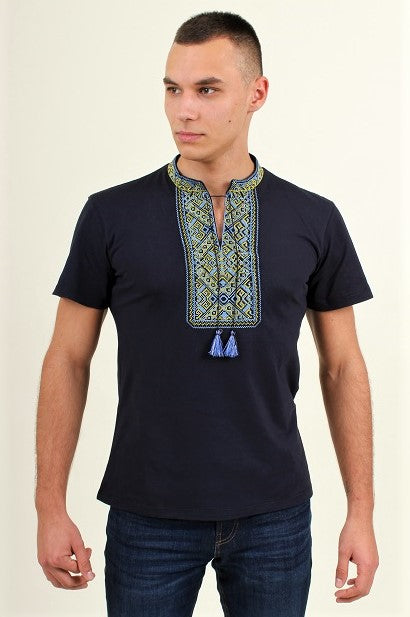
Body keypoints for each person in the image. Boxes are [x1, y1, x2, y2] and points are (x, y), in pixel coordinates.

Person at [35, 10, 379, 617]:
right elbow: (67, 358)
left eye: (207, 90)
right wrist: (49, 507)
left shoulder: (314, 219)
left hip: (275, 516)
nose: (183, 110)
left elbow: (343, 366)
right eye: (172, 89)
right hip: (147, 514)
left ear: (257, 94)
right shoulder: (111, 215)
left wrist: (362, 512)